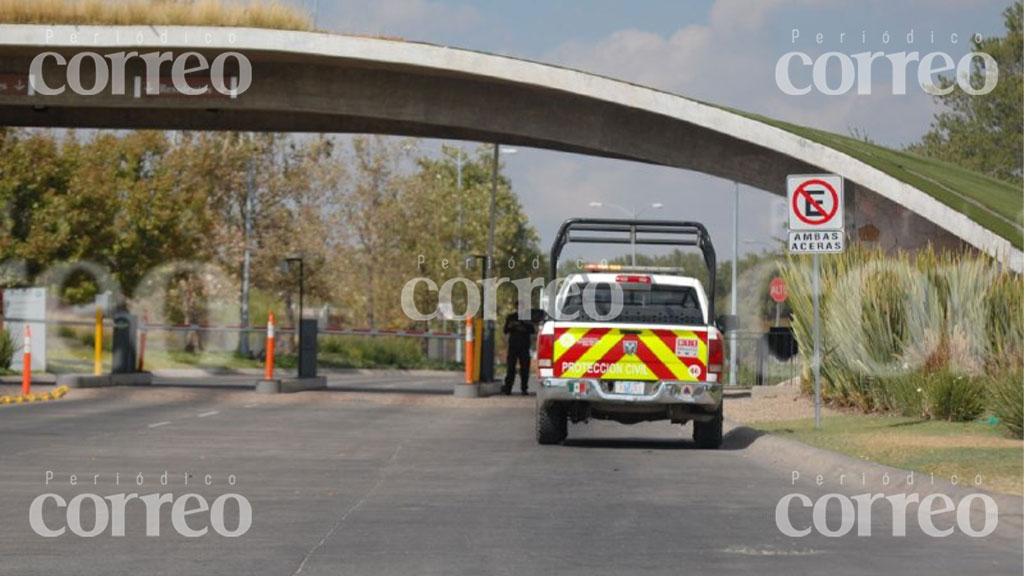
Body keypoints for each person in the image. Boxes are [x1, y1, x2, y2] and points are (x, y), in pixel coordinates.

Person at [502, 309, 535, 395]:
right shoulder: (511, 317)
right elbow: (505, 330)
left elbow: (532, 330)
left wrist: (521, 326)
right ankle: (508, 388)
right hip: (513, 346)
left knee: (524, 369)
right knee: (511, 368)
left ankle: (524, 388)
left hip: (524, 346)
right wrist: (512, 326)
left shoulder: (527, 319)